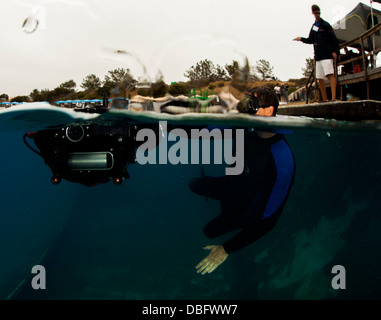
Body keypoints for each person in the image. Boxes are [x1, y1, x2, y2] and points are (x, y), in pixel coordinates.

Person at [189, 87, 295, 275]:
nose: (245, 110)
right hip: (229, 185)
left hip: (243, 207)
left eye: (251, 105)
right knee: (193, 184)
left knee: (209, 232)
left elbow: (269, 220)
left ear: (269, 111)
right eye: (244, 103)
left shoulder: (282, 159)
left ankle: (238, 227)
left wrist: (226, 249)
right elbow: (203, 130)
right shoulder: (245, 129)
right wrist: (163, 127)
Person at [293, 4, 340, 102]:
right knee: (319, 78)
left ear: (320, 12)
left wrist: (336, 51)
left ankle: (334, 98)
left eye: (318, 12)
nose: (317, 14)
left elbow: (334, 39)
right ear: (313, 13)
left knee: (330, 75)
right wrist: (301, 39)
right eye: (315, 12)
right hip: (318, 56)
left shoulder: (326, 25)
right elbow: (310, 40)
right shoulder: (314, 26)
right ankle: (325, 99)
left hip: (327, 54)